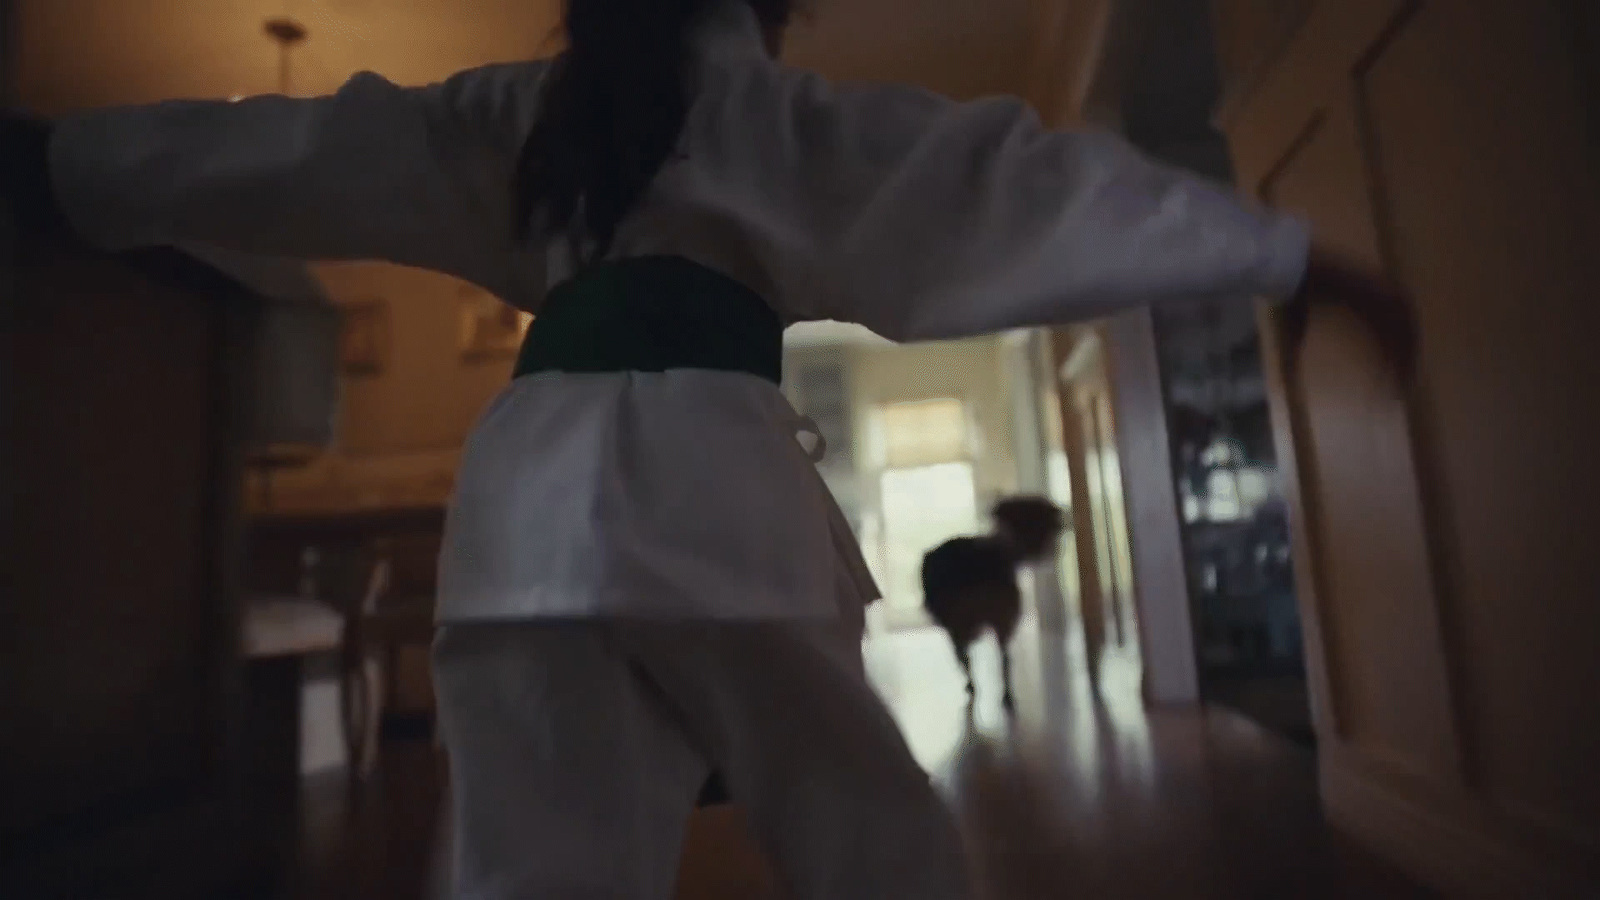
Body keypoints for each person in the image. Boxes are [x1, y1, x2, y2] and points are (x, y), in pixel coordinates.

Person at [0, 0, 1410, 896]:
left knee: (536, 861)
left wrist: (66, 169)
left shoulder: (512, 116)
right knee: (865, 832)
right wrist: (1280, 251)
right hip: (718, 500)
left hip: (527, 518)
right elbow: (1014, 183)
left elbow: (296, 151)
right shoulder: (782, 116)